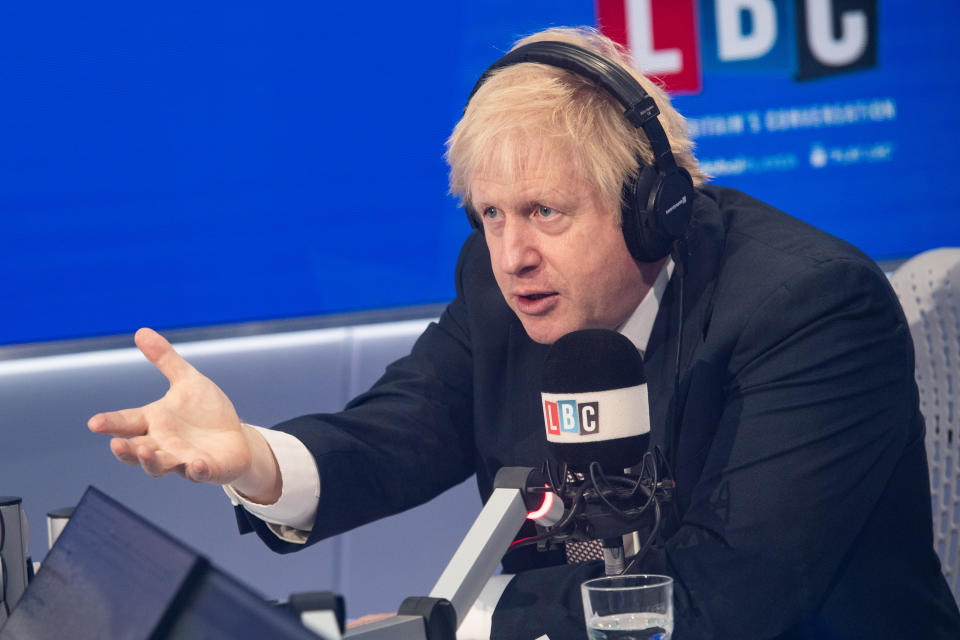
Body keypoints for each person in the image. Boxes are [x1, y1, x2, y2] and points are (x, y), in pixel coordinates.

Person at [88, 26, 960, 639]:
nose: (513, 256)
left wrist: (455, 625)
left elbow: (732, 595)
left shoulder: (811, 308)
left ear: (653, 206)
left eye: (545, 211)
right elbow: (399, 431)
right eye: (492, 215)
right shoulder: (500, 284)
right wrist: (252, 458)